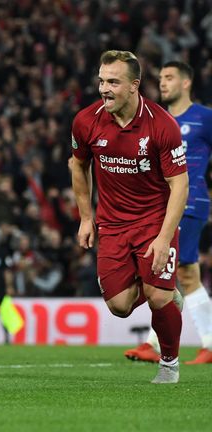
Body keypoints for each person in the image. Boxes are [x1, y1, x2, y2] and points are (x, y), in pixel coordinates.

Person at [70, 50, 188, 384]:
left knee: (158, 297)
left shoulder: (161, 124)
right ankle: (160, 289)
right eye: (101, 81)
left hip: (154, 221)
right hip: (112, 225)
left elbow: (179, 183)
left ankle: (169, 364)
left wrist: (165, 238)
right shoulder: (86, 120)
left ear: (135, 85)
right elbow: (77, 164)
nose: (103, 89)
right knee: (119, 305)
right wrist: (85, 217)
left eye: (113, 82)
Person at [124, 61, 212, 365]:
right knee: (179, 274)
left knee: (178, 272)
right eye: (161, 78)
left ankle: (189, 345)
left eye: (170, 78)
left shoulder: (205, 118)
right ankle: (161, 344)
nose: (163, 83)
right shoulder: (155, 119)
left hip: (190, 202)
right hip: (158, 206)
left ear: (186, 83)